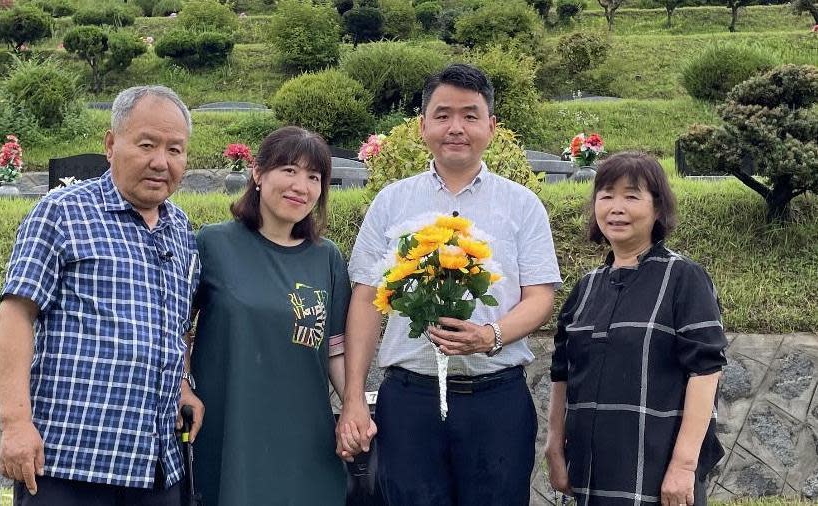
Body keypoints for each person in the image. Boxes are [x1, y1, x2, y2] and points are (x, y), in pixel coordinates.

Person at [338, 63, 562, 506]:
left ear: (491, 127)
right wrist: (353, 399)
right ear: (422, 126)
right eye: (442, 115)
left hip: (496, 399)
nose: (455, 127)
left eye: (469, 115)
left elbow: (540, 297)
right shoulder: (392, 201)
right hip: (409, 398)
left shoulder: (523, 205)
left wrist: (489, 335)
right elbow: (365, 300)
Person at [0, 85, 203, 505]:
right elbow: (15, 315)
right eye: (146, 144)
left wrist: (182, 383)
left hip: (156, 464)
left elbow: (174, 326)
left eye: (175, 150)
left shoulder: (182, 230)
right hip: (69, 463)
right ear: (111, 144)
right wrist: (16, 422)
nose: (161, 161)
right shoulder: (62, 212)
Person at [545, 152, 727, 506]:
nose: (616, 207)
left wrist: (684, 465)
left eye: (631, 196)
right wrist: (554, 444)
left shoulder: (683, 278)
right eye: (606, 194)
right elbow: (561, 372)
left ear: (657, 209)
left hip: (656, 468)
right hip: (590, 467)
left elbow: (705, 372)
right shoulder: (586, 287)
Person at [191, 126, 350, 505]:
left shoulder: (327, 257)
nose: (301, 185)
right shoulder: (212, 244)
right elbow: (176, 328)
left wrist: (354, 408)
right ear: (258, 174)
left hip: (304, 435)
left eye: (314, 177)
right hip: (231, 429)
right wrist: (183, 385)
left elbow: (336, 349)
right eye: (289, 170)